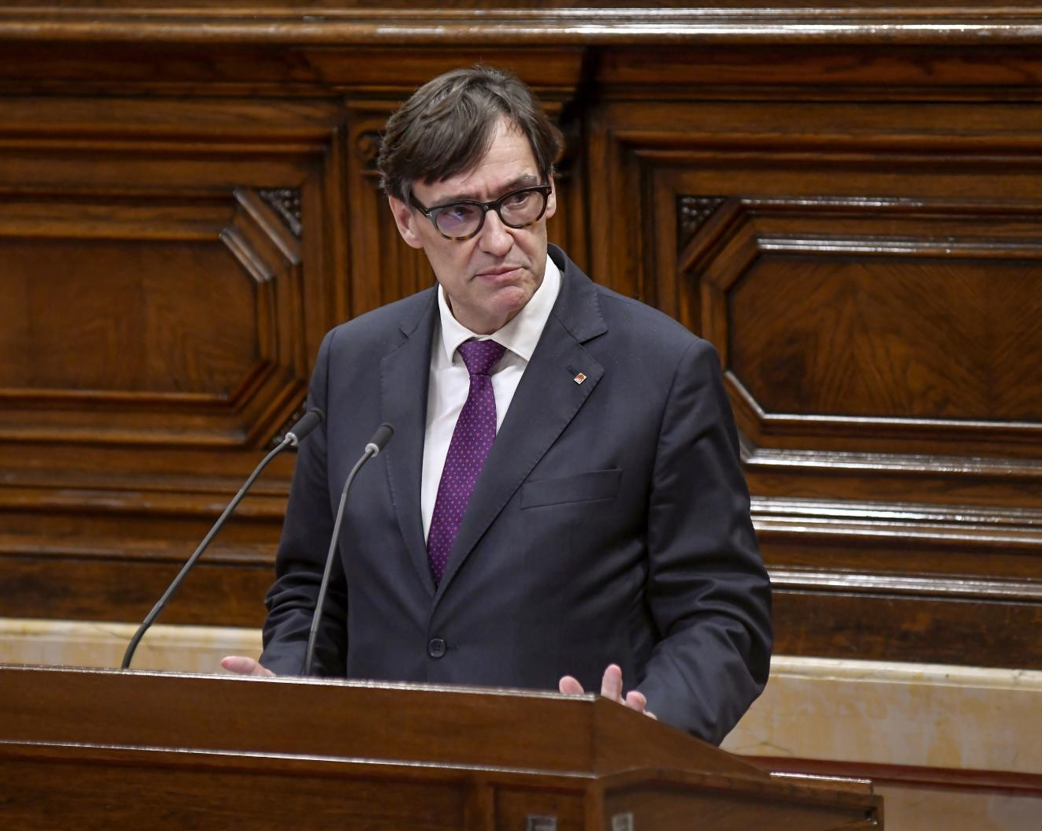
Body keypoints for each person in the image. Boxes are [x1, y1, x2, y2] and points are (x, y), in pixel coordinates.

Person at [223, 65, 772, 745]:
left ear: (549, 193)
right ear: (406, 219)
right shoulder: (353, 361)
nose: (497, 238)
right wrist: (287, 684)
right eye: (459, 212)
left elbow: (723, 613)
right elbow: (312, 586)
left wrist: (650, 724)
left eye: (518, 199)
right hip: (384, 781)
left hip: (564, 785)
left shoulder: (660, 369)